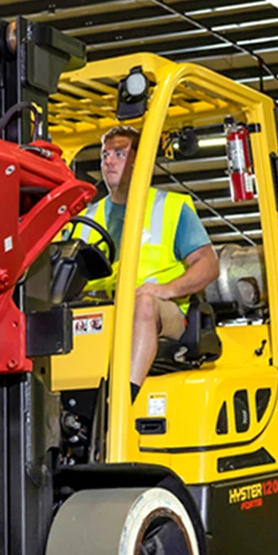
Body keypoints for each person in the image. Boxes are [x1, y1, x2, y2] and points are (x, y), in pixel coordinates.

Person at [71, 125, 219, 401]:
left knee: (144, 304)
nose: (108, 161)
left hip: (163, 312)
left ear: (140, 160)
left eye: (119, 153)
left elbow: (208, 265)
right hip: (103, 311)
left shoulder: (170, 207)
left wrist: (165, 290)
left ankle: (125, 399)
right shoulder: (86, 218)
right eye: (105, 155)